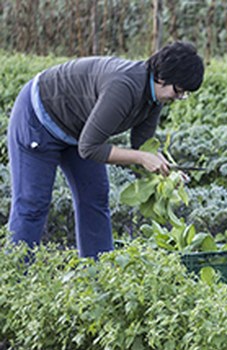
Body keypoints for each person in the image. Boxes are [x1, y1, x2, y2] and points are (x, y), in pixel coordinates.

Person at [7, 41, 204, 258]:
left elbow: (142, 145)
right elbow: (91, 148)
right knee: (32, 204)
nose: (177, 98)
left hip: (78, 131)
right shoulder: (124, 87)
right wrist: (141, 158)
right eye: (178, 91)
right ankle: (17, 275)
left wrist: (170, 172)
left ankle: (98, 274)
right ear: (162, 77)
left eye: (183, 94)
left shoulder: (154, 99)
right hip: (39, 118)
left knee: (95, 198)